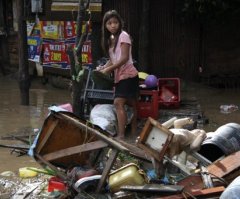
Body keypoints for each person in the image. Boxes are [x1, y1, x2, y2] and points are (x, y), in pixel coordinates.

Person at [97, 10, 139, 139]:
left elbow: (125, 58)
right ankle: (133, 131)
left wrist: (108, 70)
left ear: (120, 23)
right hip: (120, 76)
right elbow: (113, 58)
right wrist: (103, 67)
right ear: (105, 26)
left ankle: (121, 136)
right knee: (131, 103)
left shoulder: (124, 35)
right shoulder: (111, 39)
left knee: (118, 103)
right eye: (109, 23)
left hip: (128, 75)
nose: (113, 25)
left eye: (115, 22)